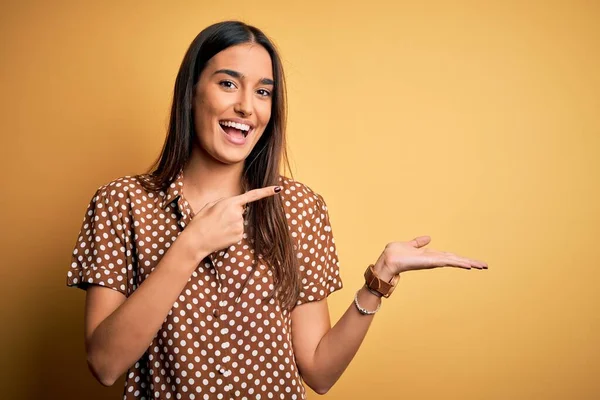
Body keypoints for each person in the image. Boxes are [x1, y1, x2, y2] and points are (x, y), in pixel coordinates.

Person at [66, 20, 488, 400]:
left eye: (263, 91)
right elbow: (105, 365)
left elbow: (319, 372)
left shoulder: (300, 208)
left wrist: (379, 280)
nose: (247, 106)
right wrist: (190, 246)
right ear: (191, 92)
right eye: (228, 84)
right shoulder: (121, 203)